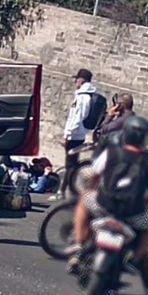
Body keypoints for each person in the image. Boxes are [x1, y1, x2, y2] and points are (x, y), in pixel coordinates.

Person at [70, 116, 148, 295]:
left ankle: (79, 245)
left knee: (82, 202)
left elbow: (94, 176)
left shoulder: (110, 153)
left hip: (104, 207)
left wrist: (94, 190)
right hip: (132, 215)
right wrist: (143, 206)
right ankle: (135, 258)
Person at [52, 69, 97, 200]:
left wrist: (68, 135)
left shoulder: (83, 97)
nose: (75, 82)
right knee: (71, 164)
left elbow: (77, 117)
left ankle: (64, 191)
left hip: (75, 135)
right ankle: (67, 190)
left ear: (81, 80)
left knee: (70, 165)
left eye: (76, 79)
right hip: (77, 134)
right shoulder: (82, 95)